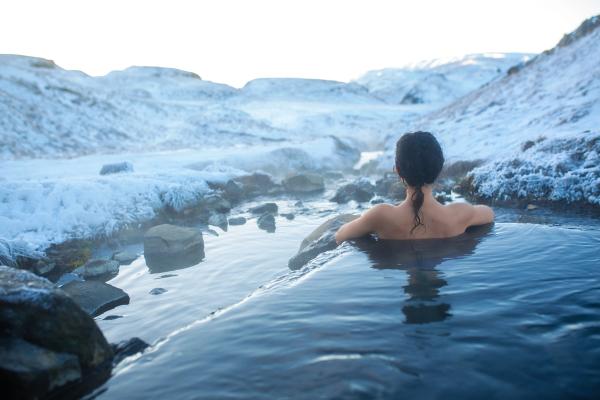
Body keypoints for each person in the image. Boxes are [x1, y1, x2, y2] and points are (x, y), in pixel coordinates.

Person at [335, 131, 494, 244]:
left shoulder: (380, 215)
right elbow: (489, 214)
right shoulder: (460, 213)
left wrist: (365, 220)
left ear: (397, 170)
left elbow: (340, 236)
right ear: (439, 169)